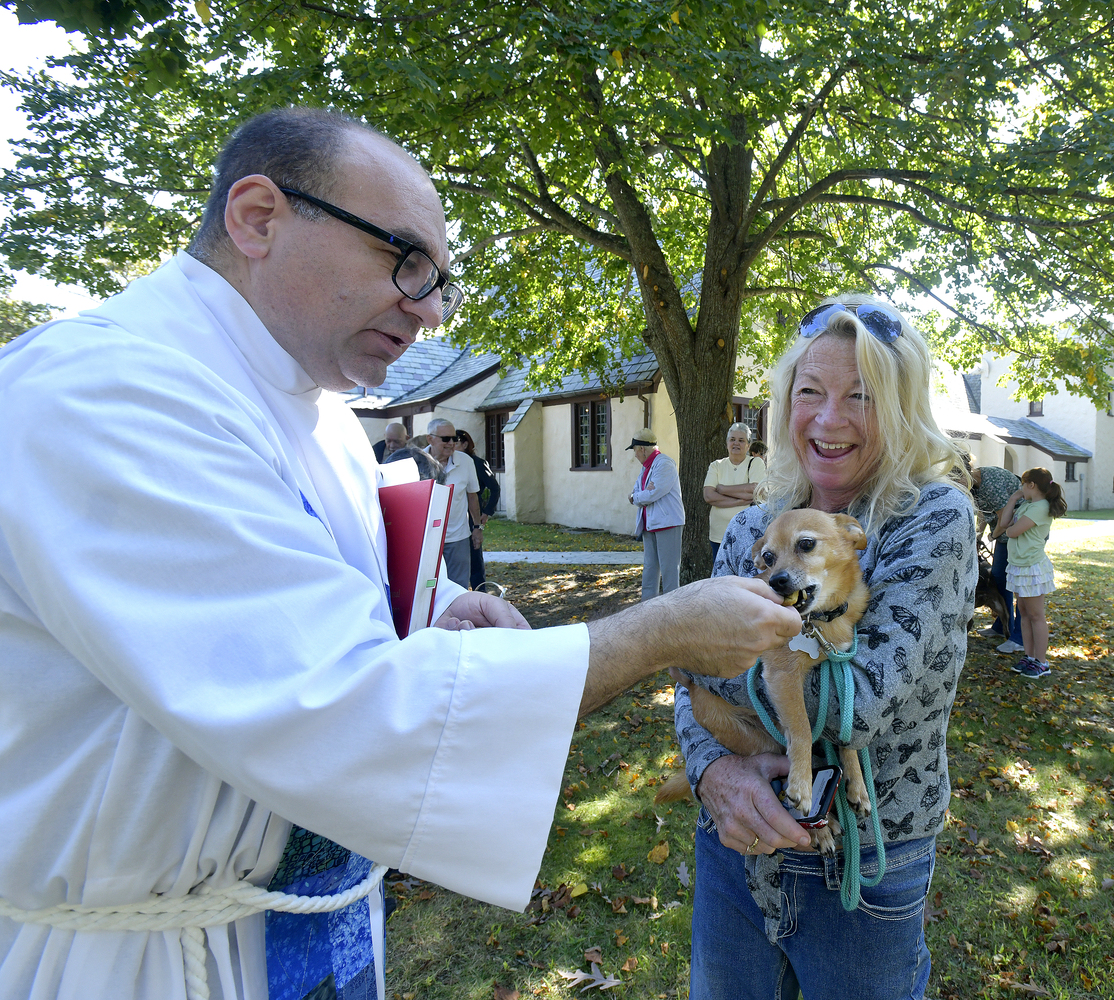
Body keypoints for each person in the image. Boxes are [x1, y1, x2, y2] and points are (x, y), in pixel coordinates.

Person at [0, 106, 804, 1000]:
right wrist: (657, 634)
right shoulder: (109, 393)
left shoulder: (331, 426)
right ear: (259, 216)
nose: (425, 311)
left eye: (439, 283)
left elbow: (306, 634)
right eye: (404, 259)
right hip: (143, 959)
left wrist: (426, 627)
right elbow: (329, 709)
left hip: (309, 920)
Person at [672, 296, 977, 1000]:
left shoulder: (930, 519)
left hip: (866, 866)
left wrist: (682, 644)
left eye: (861, 397)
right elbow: (689, 693)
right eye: (810, 392)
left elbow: (855, 707)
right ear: (785, 404)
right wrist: (712, 772)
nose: (829, 419)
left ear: (901, 409)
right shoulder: (755, 522)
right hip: (736, 846)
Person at [995, 466, 1068, 678]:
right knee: (1024, 614)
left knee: (1036, 616)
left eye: (1023, 485)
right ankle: (1029, 657)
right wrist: (1012, 500)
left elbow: (1011, 531)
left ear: (1032, 485)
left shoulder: (1040, 508)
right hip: (1019, 566)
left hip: (1032, 568)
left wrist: (1007, 529)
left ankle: (1042, 662)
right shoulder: (1027, 505)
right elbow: (1004, 523)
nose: (1021, 490)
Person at [966, 455, 1024, 651]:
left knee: (1020, 584)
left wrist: (993, 536)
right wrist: (978, 536)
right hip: (1004, 534)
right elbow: (982, 513)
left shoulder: (990, 483)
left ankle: (1018, 637)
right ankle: (1001, 626)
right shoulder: (974, 486)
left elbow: (1003, 518)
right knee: (999, 579)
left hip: (1019, 534)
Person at [424, 418, 483, 588]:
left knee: (458, 587)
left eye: (454, 438)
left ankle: (458, 615)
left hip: (458, 537)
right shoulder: (417, 461)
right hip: (426, 537)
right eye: (445, 439)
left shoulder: (465, 462)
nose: (451, 443)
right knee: (427, 588)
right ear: (430, 439)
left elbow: (473, 497)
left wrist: (478, 528)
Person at [628, 429, 685, 600]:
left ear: (642, 449)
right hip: (650, 524)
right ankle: (647, 608)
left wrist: (636, 497)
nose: (635, 455)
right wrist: (639, 495)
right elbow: (638, 492)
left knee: (669, 570)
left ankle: (671, 610)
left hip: (668, 523)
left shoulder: (665, 464)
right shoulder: (646, 467)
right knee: (650, 568)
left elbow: (651, 494)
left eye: (635, 451)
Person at [703, 421, 766, 565]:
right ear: (726, 443)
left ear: (748, 445)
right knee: (722, 579)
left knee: (747, 576)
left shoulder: (756, 463)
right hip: (719, 535)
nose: (736, 443)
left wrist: (723, 489)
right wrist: (739, 500)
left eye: (741, 440)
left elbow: (756, 490)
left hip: (749, 534)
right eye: (732, 439)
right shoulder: (716, 466)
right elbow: (708, 496)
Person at [455, 428, 500, 590]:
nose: (451, 445)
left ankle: (480, 592)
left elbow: (495, 488)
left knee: (474, 555)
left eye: (455, 442)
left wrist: (487, 512)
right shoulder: (448, 463)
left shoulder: (476, 463)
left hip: (471, 514)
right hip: (454, 516)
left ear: (465, 444)